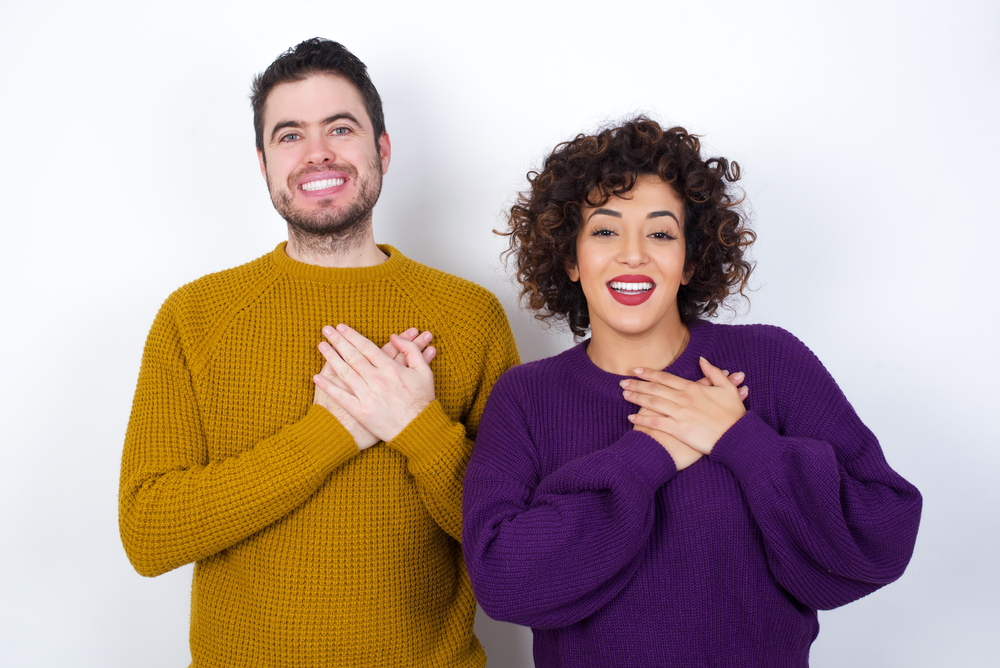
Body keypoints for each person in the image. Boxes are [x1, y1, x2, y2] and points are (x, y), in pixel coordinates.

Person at [462, 117, 921, 667]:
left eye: (660, 233)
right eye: (605, 231)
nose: (634, 254)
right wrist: (648, 454)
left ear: (691, 260)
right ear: (569, 258)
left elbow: (882, 533)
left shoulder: (771, 363)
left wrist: (739, 439)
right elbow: (504, 583)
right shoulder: (526, 398)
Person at [119, 38, 518, 667]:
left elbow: (515, 546)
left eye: (340, 127)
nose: (317, 154)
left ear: (382, 149)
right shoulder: (194, 317)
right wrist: (331, 433)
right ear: (264, 163)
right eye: (289, 135)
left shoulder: (470, 317)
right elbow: (149, 534)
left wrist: (418, 429)